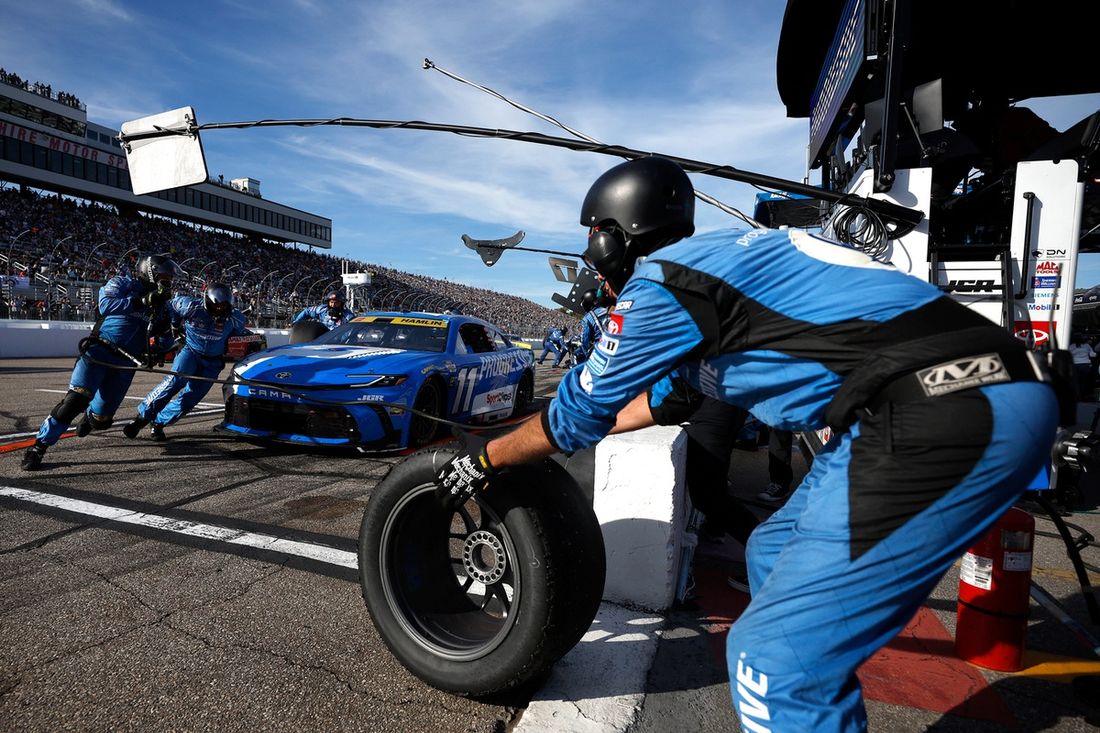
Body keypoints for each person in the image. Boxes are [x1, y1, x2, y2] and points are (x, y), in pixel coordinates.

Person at [433, 156, 1057, 731]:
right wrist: (562, 429)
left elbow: (575, 413)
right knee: (772, 550)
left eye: (594, 236)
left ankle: (798, 681)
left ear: (613, 235)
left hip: (945, 404)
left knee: (771, 662)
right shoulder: (715, 269)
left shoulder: (662, 282)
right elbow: (663, 403)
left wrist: (484, 459)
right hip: (956, 396)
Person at [21, 255, 180, 471]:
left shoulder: (163, 306)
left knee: (102, 421)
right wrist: (142, 301)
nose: (169, 281)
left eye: (170, 277)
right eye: (165, 276)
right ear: (151, 272)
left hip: (125, 364)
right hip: (99, 351)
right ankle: (38, 448)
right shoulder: (123, 283)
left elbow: (164, 340)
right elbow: (106, 305)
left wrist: (162, 345)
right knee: (74, 402)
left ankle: (90, 417)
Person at [121, 283, 248, 440]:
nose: (220, 309)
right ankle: (140, 419)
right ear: (207, 301)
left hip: (213, 362)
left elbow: (237, 334)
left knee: (190, 399)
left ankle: (158, 423)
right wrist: (174, 325)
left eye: (224, 306)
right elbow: (168, 307)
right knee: (174, 381)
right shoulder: (189, 306)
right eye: (217, 305)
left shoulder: (236, 318)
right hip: (190, 352)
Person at [577, 288, 611, 362]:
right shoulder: (612, 309)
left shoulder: (588, 318)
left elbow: (584, 341)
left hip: (601, 350)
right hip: (619, 346)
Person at [1068, 332, 1095, 400]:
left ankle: (1077, 396)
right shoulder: (1087, 346)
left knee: (1076, 381)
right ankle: (1083, 396)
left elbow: (1068, 355)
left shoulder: (1071, 346)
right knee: (1084, 381)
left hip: (1075, 365)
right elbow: (1092, 354)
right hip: (1085, 365)